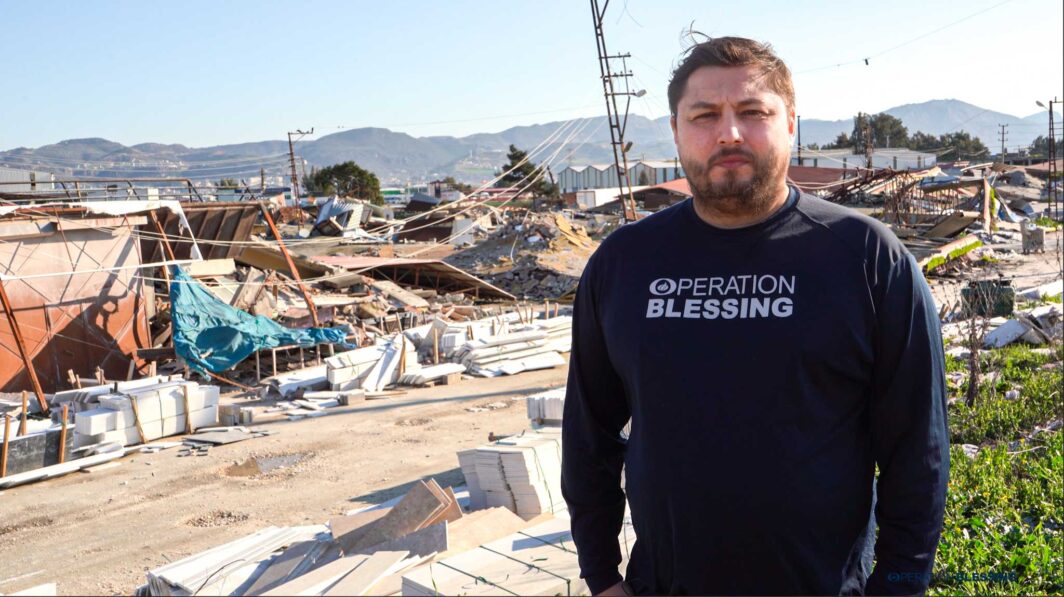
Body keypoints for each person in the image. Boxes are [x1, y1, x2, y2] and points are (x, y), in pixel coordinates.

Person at [561, 36, 949, 596]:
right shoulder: (623, 265)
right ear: (675, 131)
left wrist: (902, 585)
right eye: (704, 115)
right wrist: (601, 577)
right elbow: (588, 435)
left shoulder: (866, 258)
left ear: (791, 123)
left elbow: (919, 450)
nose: (728, 133)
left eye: (752, 112)